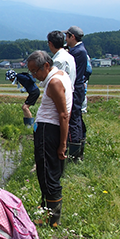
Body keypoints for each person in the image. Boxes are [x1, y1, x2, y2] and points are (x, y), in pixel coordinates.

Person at [26, 51, 72, 227]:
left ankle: (52, 219)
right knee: (48, 172)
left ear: (46, 65)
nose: (34, 75)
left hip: (48, 132)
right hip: (48, 131)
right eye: (30, 71)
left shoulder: (54, 82)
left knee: (47, 174)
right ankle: (46, 210)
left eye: (35, 71)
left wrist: (62, 144)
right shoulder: (59, 75)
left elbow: (63, 115)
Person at [63, 26, 88, 161]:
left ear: (72, 37)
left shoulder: (77, 52)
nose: (65, 39)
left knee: (73, 120)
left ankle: (74, 154)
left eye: (67, 36)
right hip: (78, 88)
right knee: (76, 118)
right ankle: (77, 150)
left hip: (75, 89)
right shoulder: (79, 50)